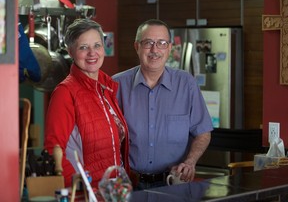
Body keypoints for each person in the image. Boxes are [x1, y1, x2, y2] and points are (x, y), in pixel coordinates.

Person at [112, 19, 213, 190]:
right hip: (129, 185)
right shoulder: (116, 85)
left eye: (161, 43)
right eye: (148, 43)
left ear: (169, 48)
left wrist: (190, 162)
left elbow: (203, 132)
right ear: (137, 46)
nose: (154, 50)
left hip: (173, 185)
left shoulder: (186, 83)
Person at [44, 18, 130, 188]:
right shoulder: (65, 93)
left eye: (97, 45)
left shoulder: (107, 88)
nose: (92, 53)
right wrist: (81, 187)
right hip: (89, 193)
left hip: (115, 190)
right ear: (70, 51)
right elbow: (53, 150)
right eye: (83, 47)